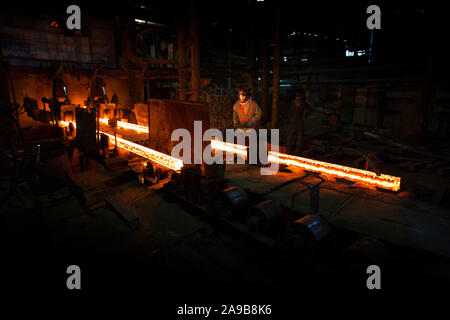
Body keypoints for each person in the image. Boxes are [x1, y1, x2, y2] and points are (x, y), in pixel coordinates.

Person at [286, 89, 312, 155]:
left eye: (299, 96)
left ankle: (296, 152)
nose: (298, 98)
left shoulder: (303, 104)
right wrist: (290, 118)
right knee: (290, 138)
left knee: (299, 139)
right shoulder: (292, 103)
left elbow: (310, 109)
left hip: (300, 123)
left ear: (301, 97)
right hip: (292, 123)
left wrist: (305, 115)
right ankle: (288, 151)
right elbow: (287, 111)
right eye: (297, 96)